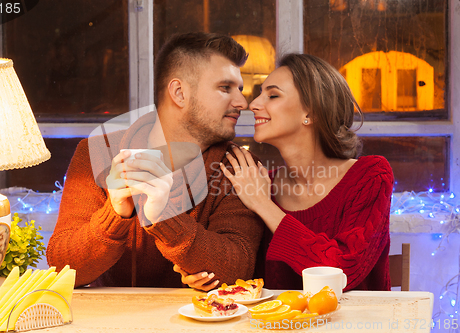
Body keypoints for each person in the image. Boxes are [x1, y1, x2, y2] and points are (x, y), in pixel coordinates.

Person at [47, 32, 264, 288]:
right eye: (225, 88)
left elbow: (237, 271)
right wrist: (115, 214)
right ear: (180, 93)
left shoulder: (238, 166)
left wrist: (164, 217)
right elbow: (62, 269)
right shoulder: (98, 151)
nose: (242, 102)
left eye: (239, 89)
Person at [175, 53, 393, 292]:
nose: (253, 104)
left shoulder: (370, 176)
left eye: (273, 95)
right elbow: (243, 274)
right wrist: (205, 272)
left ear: (311, 113)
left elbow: (341, 274)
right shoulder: (257, 182)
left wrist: (264, 205)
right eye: (259, 94)